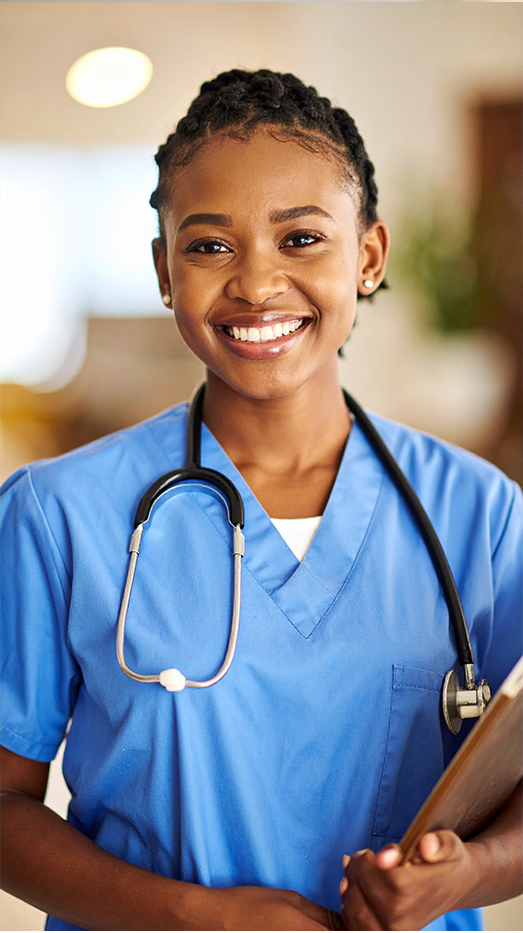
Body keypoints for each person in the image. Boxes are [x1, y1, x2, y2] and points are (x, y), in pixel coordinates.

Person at [1, 69, 521, 933]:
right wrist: (195, 915)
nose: (256, 282)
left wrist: (462, 876)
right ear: (165, 271)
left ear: (367, 257)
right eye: (209, 246)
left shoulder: (480, 516)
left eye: (301, 238)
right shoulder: (56, 516)